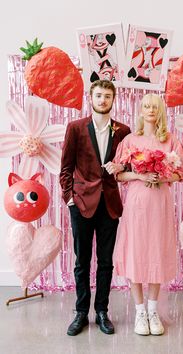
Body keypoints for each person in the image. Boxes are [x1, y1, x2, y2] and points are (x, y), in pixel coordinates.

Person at [111, 93, 183, 336]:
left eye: (154, 106)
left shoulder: (170, 141)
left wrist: (164, 176)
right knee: (136, 251)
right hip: (136, 203)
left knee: (156, 249)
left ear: (160, 111)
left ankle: (153, 311)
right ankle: (140, 312)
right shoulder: (130, 140)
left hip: (159, 203)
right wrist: (140, 175)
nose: (150, 110)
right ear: (140, 111)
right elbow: (118, 174)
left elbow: (182, 172)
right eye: (146, 106)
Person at [60, 80, 131, 336]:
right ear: (91, 98)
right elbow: (66, 167)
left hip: (109, 203)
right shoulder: (76, 128)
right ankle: (81, 312)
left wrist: (122, 168)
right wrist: (69, 197)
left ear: (113, 100)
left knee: (105, 262)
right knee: (82, 261)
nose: (102, 100)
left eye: (107, 96)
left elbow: (131, 164)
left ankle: (102, 311)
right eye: (99, 95)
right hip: (80, 202)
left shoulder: (123, 130)